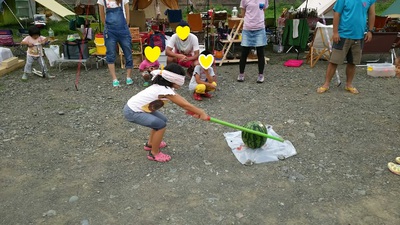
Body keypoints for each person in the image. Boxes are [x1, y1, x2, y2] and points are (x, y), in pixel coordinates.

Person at [123, 63, 209, 162]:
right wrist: (201, 112)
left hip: (141, 108)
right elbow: (184, 105)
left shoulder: (165, 87)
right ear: (173, 79)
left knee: (162, 119)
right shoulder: (163, 90)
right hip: (132, 111)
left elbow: (182, 100)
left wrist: (194, 111)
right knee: (161, 125)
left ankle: (151, 143)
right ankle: (154, 153)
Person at [317, 0, 376, 94]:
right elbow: (337, 14)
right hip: (343, 34)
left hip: (359, 35)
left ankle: (349, 84)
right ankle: (326, 84)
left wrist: (370, 30)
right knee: (334, 61)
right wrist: (335, 32)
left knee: (353, 62)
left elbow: (372, 14)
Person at [98, 0, 133, 87]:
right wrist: (106, 26)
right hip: (110, 31)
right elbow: (101, 15)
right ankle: (114, 78)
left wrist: (126, 24)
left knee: (128, 51)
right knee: (110, 53)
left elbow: (128, 13)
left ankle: (128, 77)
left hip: (123, 29)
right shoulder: (102, 1)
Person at [237, 0, 269, 83]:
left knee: (260, 53)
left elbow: (263, 10)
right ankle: (241, 74)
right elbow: (243, 13)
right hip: (247, 28)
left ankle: (261, 75)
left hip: (260, 28)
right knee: (244, 52)